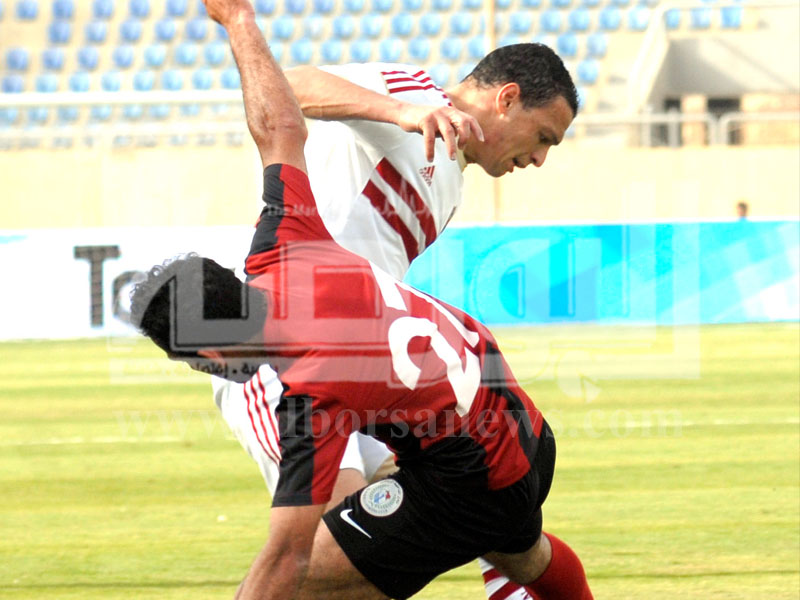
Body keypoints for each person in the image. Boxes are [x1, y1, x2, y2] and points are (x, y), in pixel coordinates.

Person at [132, 1, 592, 598]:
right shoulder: (416, 94)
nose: (538, 158)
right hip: (281, 361)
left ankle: (503, 557)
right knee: (345, 545)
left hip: (362, 368)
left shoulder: (450, 177)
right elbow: (294, 88)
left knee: (400, 527)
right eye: (543, 137)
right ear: (506, 99)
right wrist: (399, 110)